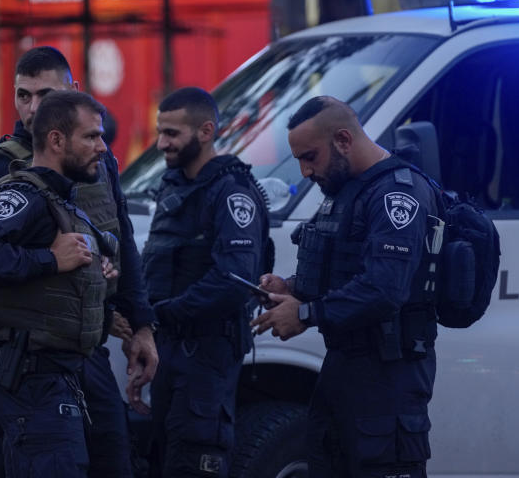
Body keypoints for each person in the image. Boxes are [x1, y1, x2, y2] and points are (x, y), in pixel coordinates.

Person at [0, 46, 157, 478]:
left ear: (72, 92)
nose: (33, 107)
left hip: (81, 354)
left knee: (114, 462)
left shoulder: (92, 161)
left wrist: (140, 324)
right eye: (23, 95)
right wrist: (49, 262)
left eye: (45, 95)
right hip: (16, 361)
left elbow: (122, 242)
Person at [251, 96, 439, 478]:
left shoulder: (395, 194)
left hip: (389, 381)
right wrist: (290, 288)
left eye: (310, 157)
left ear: (342, 139)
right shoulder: (344, 191)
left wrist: (305, 313)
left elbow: (385, 289)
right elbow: (343, 273)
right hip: (344, 372)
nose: (304, 171)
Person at [142, 87, 270, 477]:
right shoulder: (174, 186)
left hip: (208, 354)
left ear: (206, 131)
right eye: (160, 132)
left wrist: (162, 314)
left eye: (172, 134)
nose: (162, 143)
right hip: (168, 350)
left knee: (195, 460)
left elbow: (233, 281)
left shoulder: (231, 192)